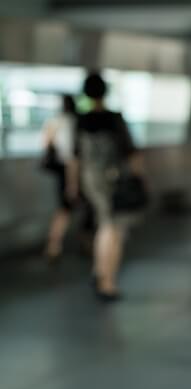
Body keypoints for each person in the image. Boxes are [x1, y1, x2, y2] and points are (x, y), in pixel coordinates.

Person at [69, 73, 145, 302]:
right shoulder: (115, 119)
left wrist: (73, 184)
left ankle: (98, 270)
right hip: (114, 179)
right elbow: (132, 152)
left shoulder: (80, 120)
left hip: (90, 179)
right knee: (113, 228)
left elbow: (75, 157)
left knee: (104, 222)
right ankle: (107, 281)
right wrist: (140, 178)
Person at [41, 95, 78, 263]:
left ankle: (54, 244)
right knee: (66, 208)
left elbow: (45, 143)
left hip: (59, 170)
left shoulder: (54, 121)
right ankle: (54, 245)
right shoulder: (72, 123)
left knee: (64, 208)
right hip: (70, 170)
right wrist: (73, 183)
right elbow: (72, 155)